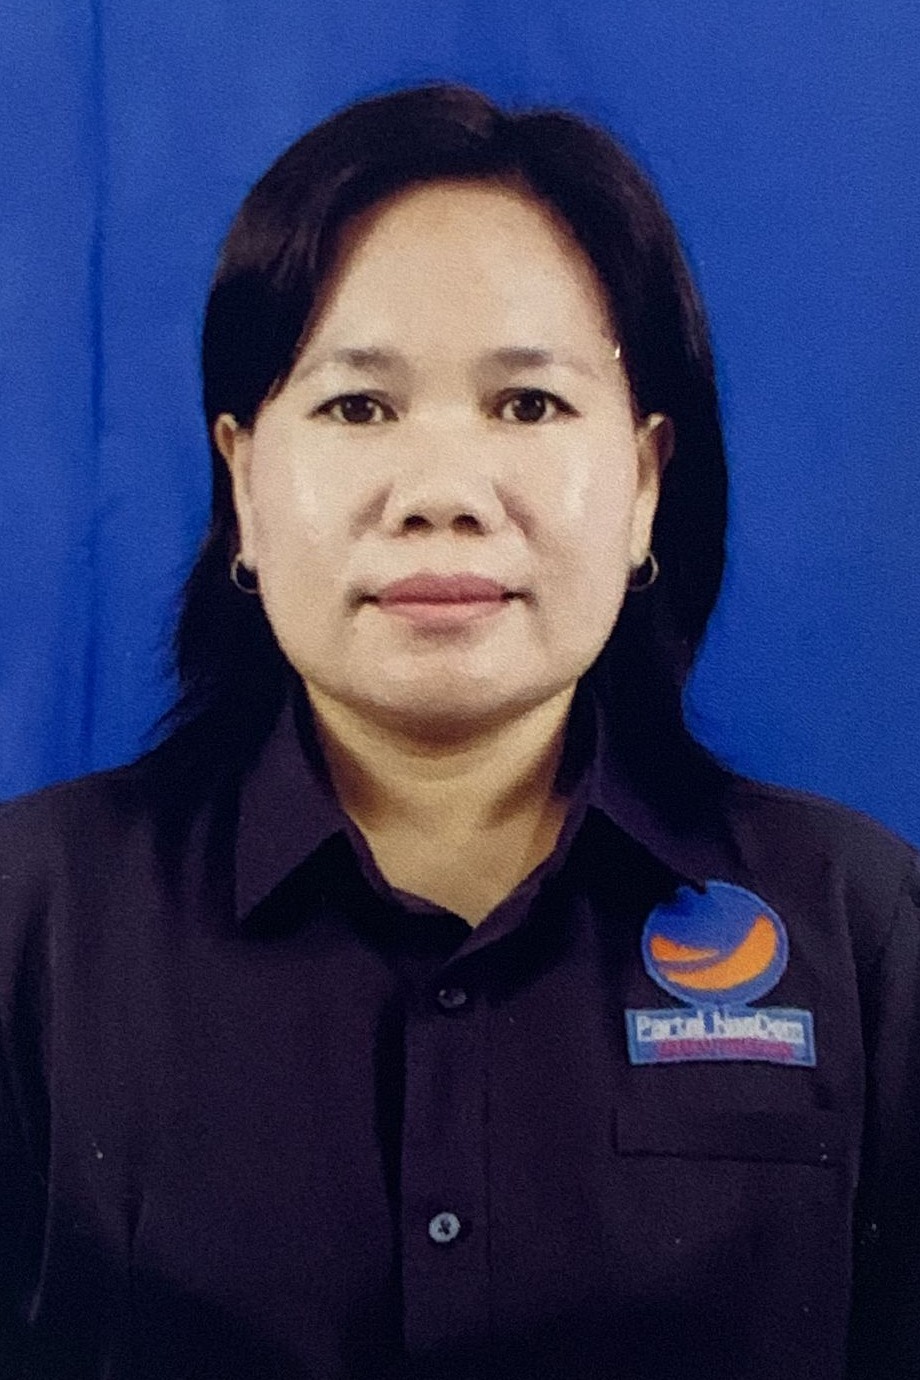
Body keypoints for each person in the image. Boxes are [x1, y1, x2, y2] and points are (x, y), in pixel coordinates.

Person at [0, 81, 917, 1380]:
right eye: (358, 407)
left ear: (645, 483)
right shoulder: (32, 926)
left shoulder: (863, 935)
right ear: (244, 481)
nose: (441, 493)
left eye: (528, 404)